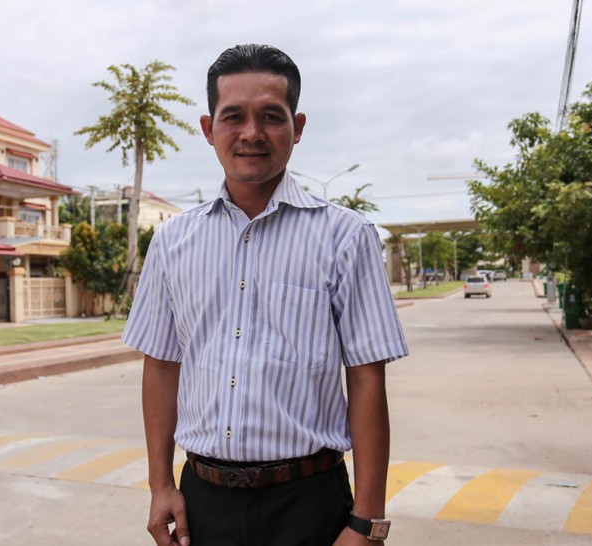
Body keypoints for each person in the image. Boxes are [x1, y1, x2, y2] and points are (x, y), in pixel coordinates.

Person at [123, 43, 408, 546]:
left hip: (311, 503)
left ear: (297, 127)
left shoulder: (346, 237)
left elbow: (366, 378)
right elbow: (162, 365)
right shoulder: (172, 242)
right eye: (233, 116)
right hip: (202, 504)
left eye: (271, 116)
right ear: (208, 128)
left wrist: (367, 522)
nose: (251, 133)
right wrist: (160, 484)